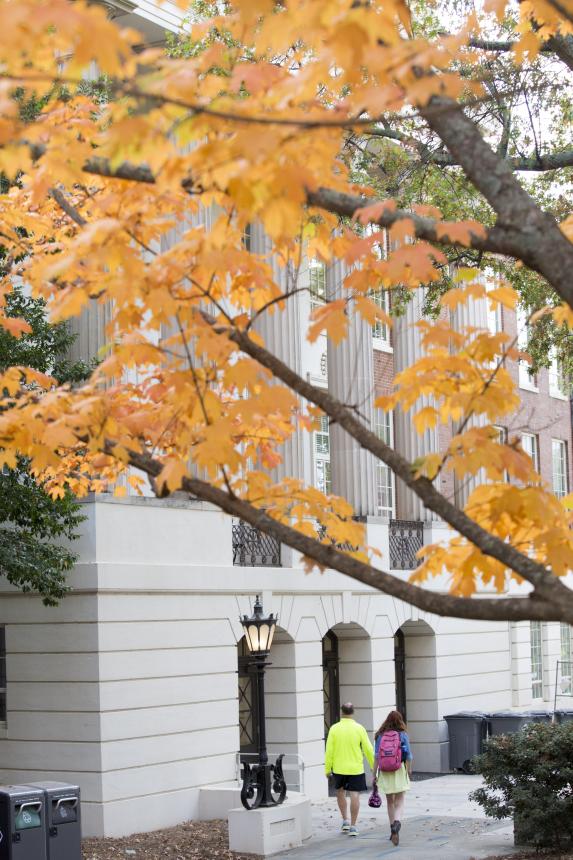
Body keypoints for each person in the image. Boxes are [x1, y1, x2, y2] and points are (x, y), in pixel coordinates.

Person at [324, 702, 374, 837]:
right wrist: (373, 766)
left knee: (340, 793)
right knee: (354, 795)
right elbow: (368, 749)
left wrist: (327, 768)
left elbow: (329, 751)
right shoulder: (359, 728)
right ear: (353, 712)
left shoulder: (334, 729)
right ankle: (353, 826)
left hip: (339, 768)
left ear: (342, 712)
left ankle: (345, 820)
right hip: (355, 768)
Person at [374, 710, 413, 846]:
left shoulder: (380, 735)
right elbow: (408, 756)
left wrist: (374, 774)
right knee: (400, 799)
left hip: (384, 770)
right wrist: (409, 770)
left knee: (390, 801)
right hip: (399, 769)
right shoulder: (403, 735)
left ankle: (392, 830)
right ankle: (397, 823)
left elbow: (377, 756)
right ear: (400, 720)